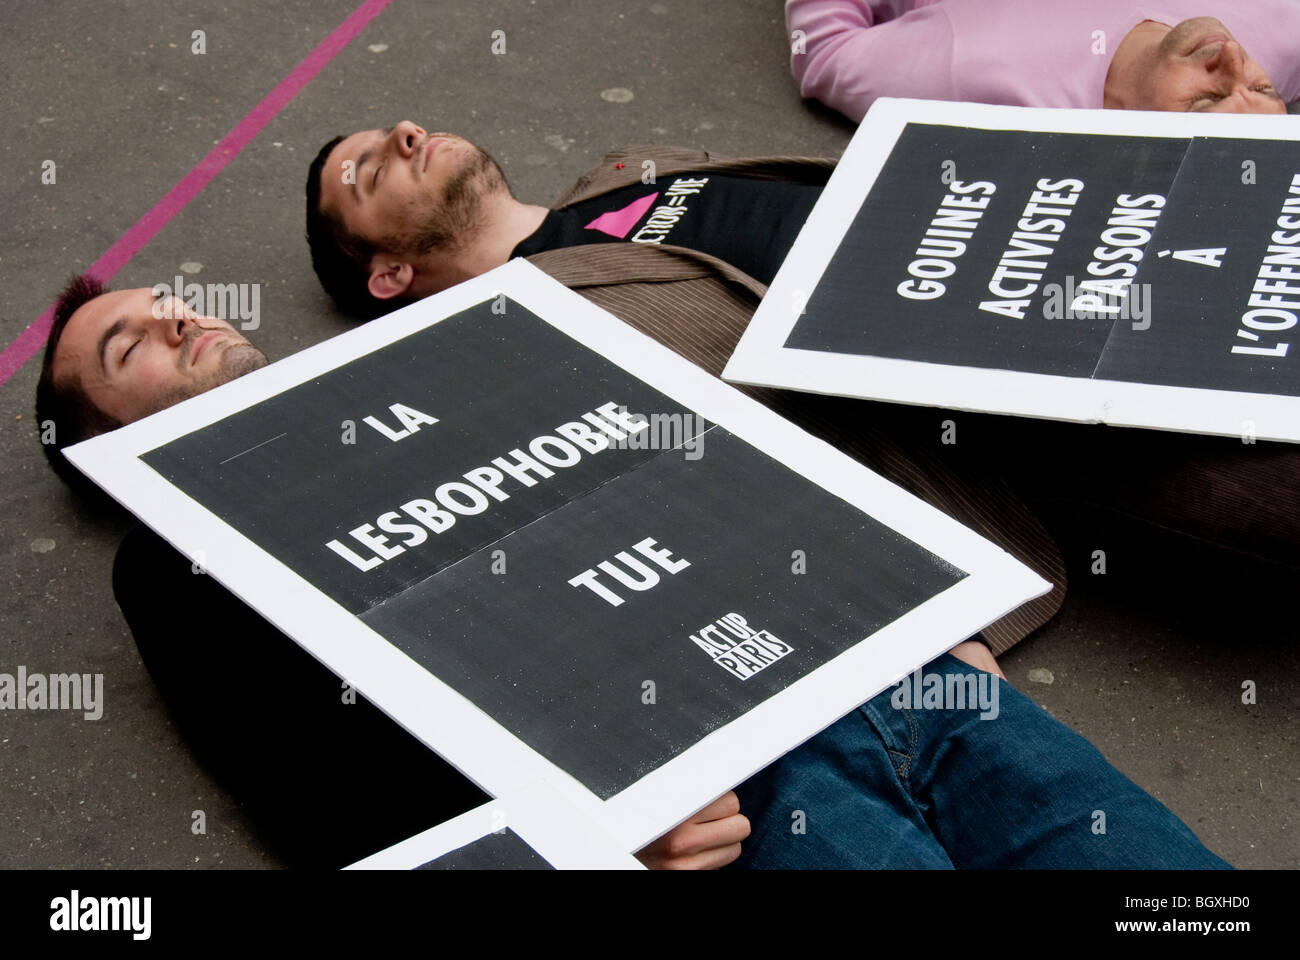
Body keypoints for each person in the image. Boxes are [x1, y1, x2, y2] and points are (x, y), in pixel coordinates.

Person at [37, 286, 1226, 868]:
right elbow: (305, 784)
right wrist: (596, 837)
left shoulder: (458, 349)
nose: (180, 319)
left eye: (172, 300)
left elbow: (703, 458)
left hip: (901, 683)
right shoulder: (174, 554)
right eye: (129, 345)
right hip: (728, 797)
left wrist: (913, 599)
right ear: (98, 448)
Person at [784, 1, 1300, 123]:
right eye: (1264, 90)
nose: (1231, 55)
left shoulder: (970, 72)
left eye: (1206, 99)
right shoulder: (1281, 38)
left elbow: (823, 49)